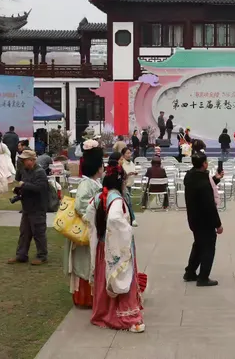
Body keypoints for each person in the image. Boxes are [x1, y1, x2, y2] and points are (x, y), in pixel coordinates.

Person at [86, 160, 146, 332]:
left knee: (106, 277)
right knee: (121, 275)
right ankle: (128, 318)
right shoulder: (116, 199)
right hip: (115, 246)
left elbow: (88, 214)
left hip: (102, 246)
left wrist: (101, 231)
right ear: (120, 181)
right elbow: (114, 218)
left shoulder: (100, 196)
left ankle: (103, 313)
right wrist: (126, 229)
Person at [64, 139, 103, 308]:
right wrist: (96, 213)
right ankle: (86, 297)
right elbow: (81, 206)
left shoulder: (94, 183)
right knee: (85, 263)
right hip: (86, 230)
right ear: (97, 167)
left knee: (91, 261)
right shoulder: (86, 185)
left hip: (93, 228)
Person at [183, 152, 223, 287]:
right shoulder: (202, 182)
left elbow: (202, 188)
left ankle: (190, 272)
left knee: (199, 245)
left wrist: (215, 179)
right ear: (204, 164)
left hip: (193, 218)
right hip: (204, 220)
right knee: (208, 247)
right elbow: (209, 206)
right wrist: (218, 224)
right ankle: (203, 277)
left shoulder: (190, 176)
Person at [8, 149, 50, 265]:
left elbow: (39, 188)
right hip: (27, 206)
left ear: (32, 160)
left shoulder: (40, 172)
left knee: (38, 232)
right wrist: (18, 190)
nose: (23, 162)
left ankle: (42, 256)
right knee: (24, 233)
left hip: (37, 207)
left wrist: (24, 185)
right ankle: (21, 255)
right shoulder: (24, 171)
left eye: (25, 160)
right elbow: (25, 186)